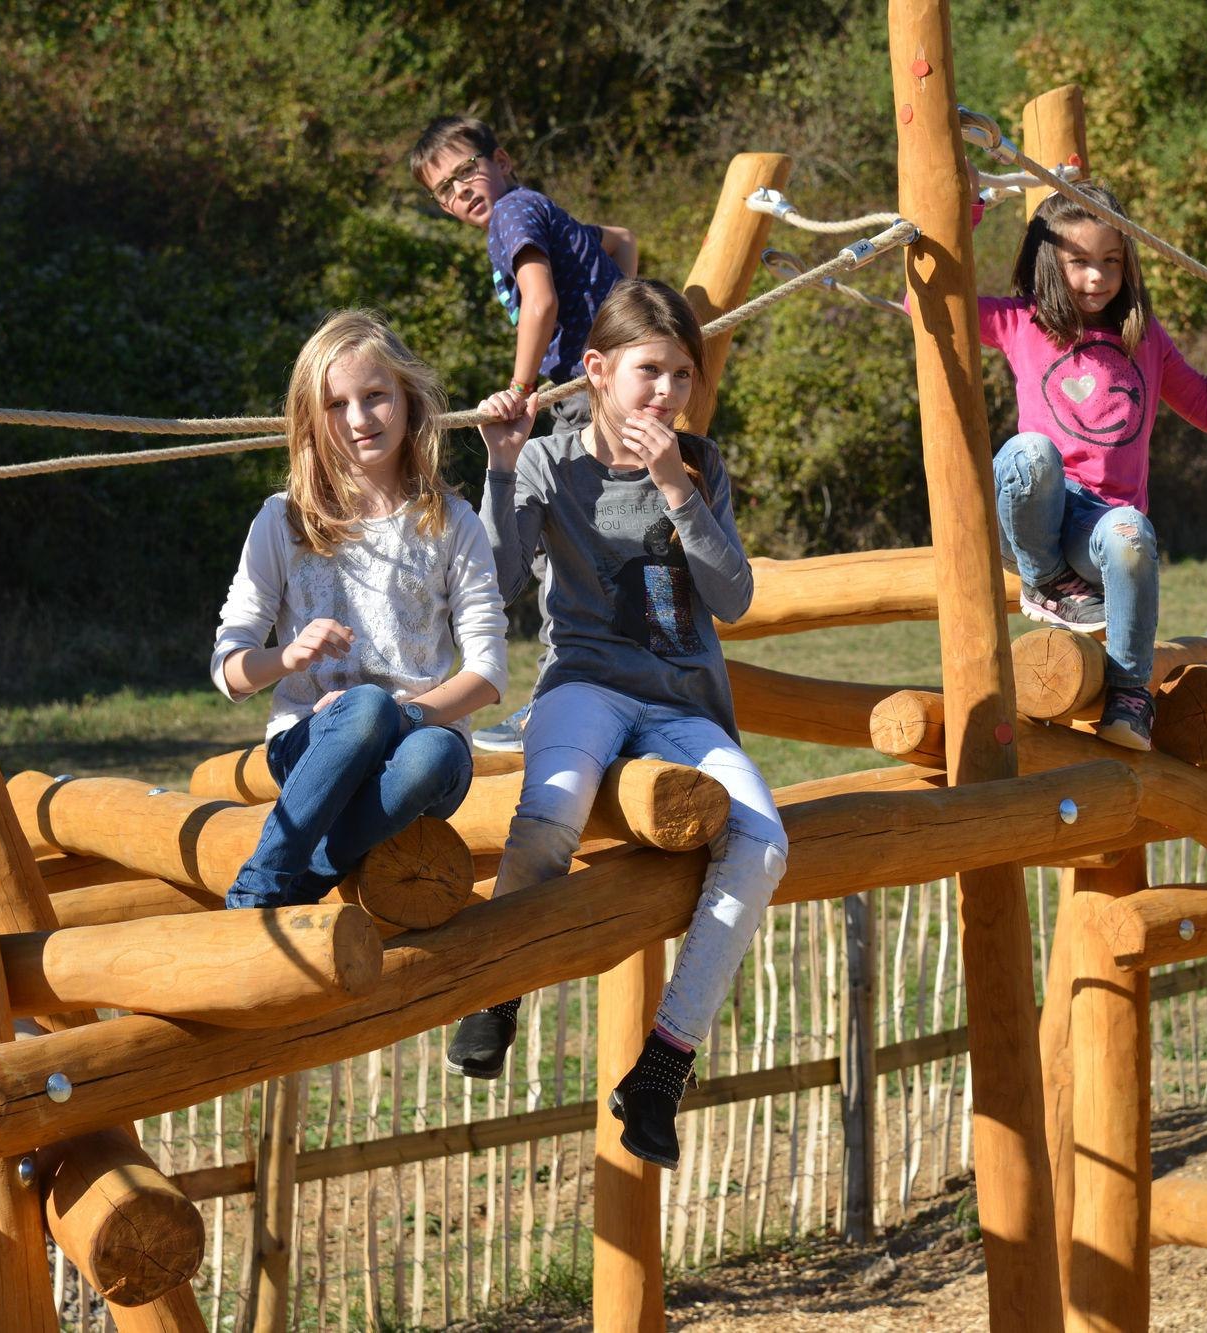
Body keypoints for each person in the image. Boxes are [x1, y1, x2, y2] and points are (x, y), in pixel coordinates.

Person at [451, 279, 785, 1170]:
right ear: (597, 370)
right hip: (585, 683)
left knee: (763, 844)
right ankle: (496, 991)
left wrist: (676, 487)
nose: (668, 392)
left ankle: (662, 1070)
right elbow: (497, 584)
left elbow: (734, 598)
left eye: (683, 374)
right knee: (552, 810)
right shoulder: (548, 461)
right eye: (650, 371)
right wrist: (499, 466)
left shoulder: (700, 464)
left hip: (683, 704)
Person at [211, 309, 507, 909]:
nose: (359, 419)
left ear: (408, 398)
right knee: (363, 709)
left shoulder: (453, 522)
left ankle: (284, 885)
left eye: (375, 396)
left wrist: (402, 716)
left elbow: (490, 673)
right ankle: (267, 888)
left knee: (429, 746)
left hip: (419, 748)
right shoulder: (282, 520)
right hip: (310, 744)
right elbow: (228, 671)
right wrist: (287, 658)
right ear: (311, 419)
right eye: (336, 404)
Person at [982, 182, 1207, 749]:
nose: (1097, 277)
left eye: (1111, 261)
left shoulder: (1144, 337)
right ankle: (1043, 581)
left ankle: (1129, 696)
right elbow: (925, 303)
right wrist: (966, 208)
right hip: (1033, 514)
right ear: (1049, 263)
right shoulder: (1021, 321)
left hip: (1096, 531)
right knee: (1032, 452)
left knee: (1131, 529)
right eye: (1079, 262)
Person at [409, 114, 637, 753]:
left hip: (583, 398)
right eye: (444, 190)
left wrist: (520, 386)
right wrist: (629, 321)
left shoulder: (512, 213)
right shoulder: (538, 209)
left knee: (560, 549)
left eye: (466, 171)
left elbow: (540, 302)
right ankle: (588, 696)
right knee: (588, 547)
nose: (461, 192)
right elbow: (621, 240)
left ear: (502, 160)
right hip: (599, 391)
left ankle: (554, 705)